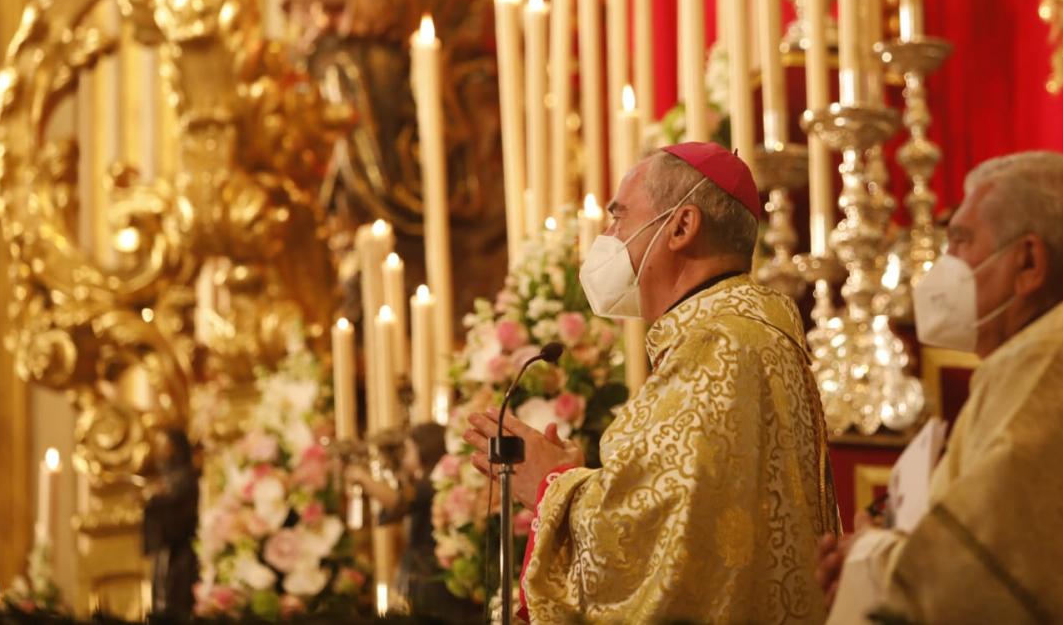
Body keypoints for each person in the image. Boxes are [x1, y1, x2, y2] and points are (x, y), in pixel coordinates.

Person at [816, 151, 1063, 625]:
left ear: (1027, 262)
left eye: (961, 241)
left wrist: (868, 559)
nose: (945, 266)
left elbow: (975, 581)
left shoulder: (1057, 367)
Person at [464, 142, 840, 624]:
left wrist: (552, 485)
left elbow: (645, 554)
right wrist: (593, 482)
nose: (607, 235)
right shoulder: (743, 335)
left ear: (681, 227)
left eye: (619, 217)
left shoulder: (718, 346)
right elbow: (694, 530)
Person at [347, 422, 479, 621]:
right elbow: (387, 515)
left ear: (424, 449)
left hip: (430, 573)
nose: (405, 457)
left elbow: (398, 502)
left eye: (409, 450)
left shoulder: (433, 482)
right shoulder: (422, 482)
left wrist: (362, 477)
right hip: (421, 569)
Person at [142, 428, 198, 621]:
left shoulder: (186, 476)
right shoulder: (166, 477)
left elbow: (181, 511)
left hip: (179, 550)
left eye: (165, 445)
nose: (160, 450)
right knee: (160, 593)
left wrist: (157, 497)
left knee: (175, 595)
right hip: (164, 546)